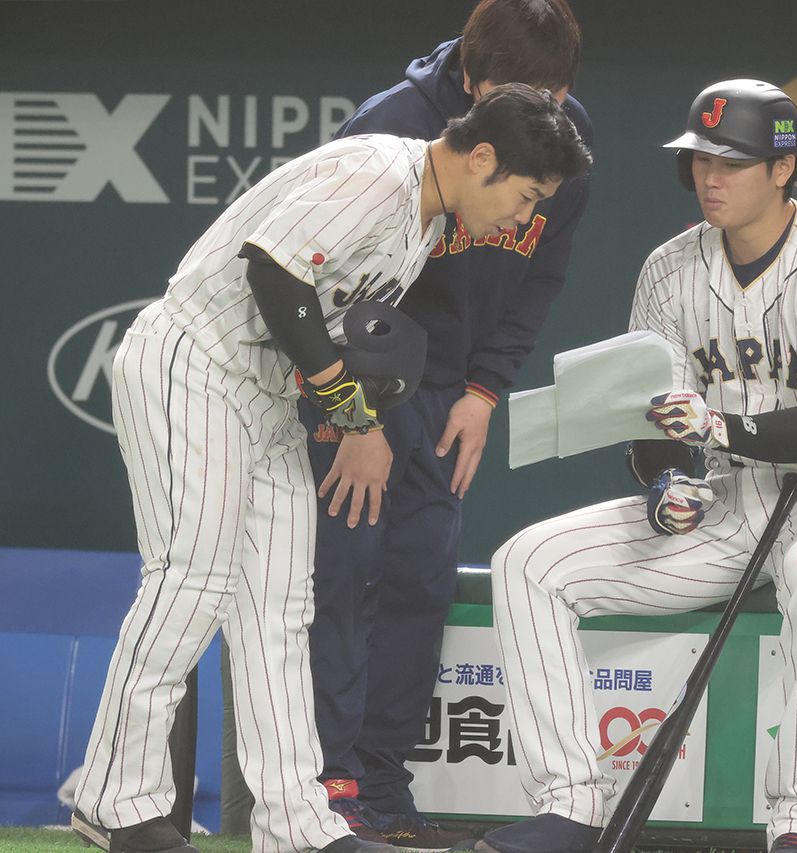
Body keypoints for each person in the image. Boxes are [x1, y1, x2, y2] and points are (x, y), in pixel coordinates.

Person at [70, 85, 591, 853]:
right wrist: (350, 409)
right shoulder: (377, 174)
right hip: (195, 364)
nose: (525, 217)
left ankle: (297, 825)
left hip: (264, 394)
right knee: (190, 580)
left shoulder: (425, 220)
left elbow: (334, 329)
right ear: (482, 158)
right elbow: (273, 275)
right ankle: (112, 800)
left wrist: (356, 407)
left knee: (283, 606)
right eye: (525, 195)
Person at [473, 79, 797, 853]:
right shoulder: (671, 269)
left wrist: (713, 425)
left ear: (782, 169)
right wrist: (665, 482)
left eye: (732, 161)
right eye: (700, 158)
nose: (710, 176)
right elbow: (651, 422)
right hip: (731, 501)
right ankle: (570, 805)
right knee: (528, 562)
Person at [299, 2, 592, 849]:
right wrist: (352, 409)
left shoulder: (565, 146)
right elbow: (319, 285)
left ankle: (383, 788)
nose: (530, 126)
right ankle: (326, 785)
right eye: (506, 99)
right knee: (342, 577)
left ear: (566, 90)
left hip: (448, 392)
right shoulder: (390, 127)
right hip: (356, 385)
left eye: (547, 101)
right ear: (469, 82)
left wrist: (485, 389)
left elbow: (544, 274)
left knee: (421, 583)